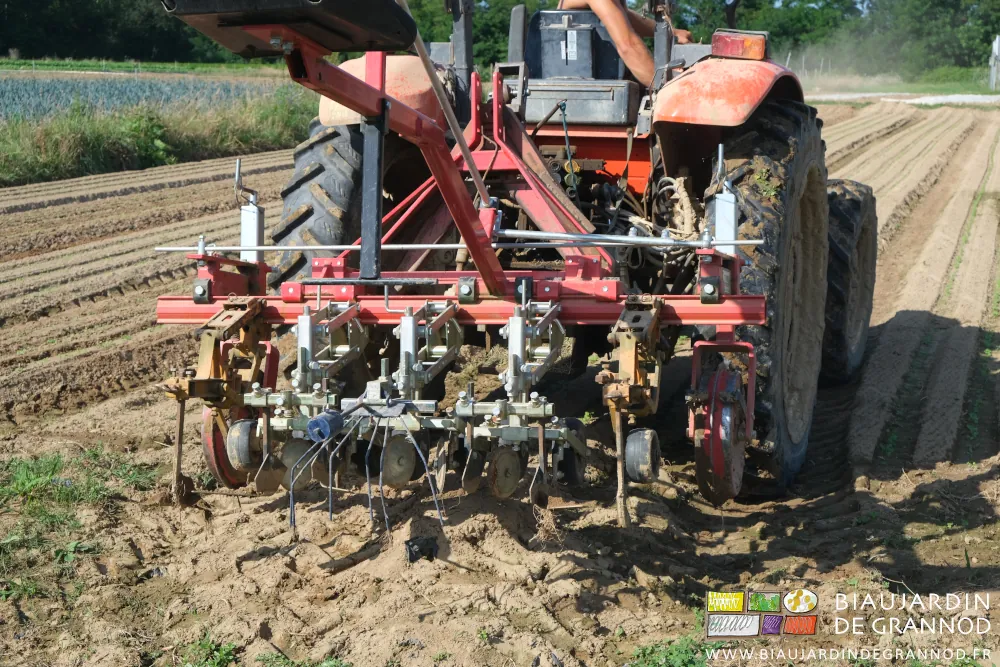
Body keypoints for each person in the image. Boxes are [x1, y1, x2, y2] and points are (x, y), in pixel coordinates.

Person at [556, 0, 692, 86]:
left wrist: (672, 32)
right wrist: (669, 88)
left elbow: (622, 16)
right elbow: (628, 47)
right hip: (583, 86)